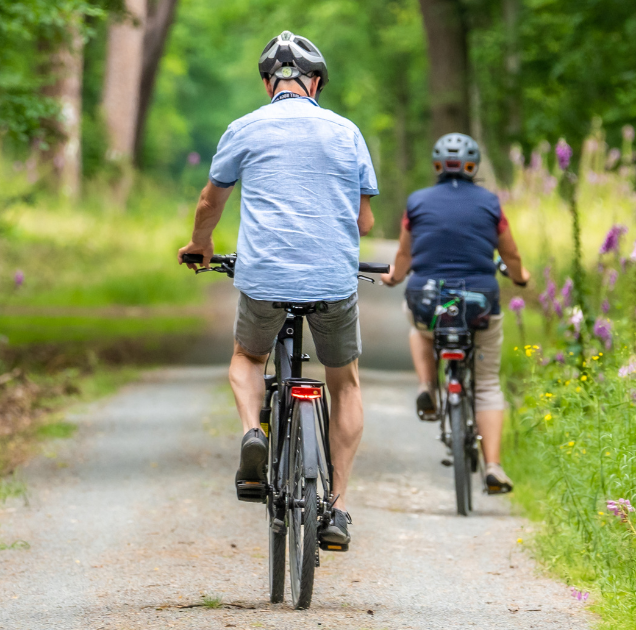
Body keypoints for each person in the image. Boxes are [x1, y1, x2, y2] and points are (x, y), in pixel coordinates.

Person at [177, 31, 378, 548]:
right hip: (333, 279)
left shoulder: (244, 128)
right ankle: (336, 508)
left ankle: (253, 433)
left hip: (264, 277)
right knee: (346, 382)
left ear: (269, 83)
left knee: (247, 357)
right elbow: (365, 219)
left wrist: (201, 245)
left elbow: (209, 202)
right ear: (315, 83)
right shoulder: (346, 131)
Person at [380, 133, 530, 494]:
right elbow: (510, 255)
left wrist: (395, 277)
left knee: (417, 325)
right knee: (489, 384)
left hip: (428, 301)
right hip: (479, 302)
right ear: (472, 166)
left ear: (436, 166)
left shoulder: (417, 202)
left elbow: (404, 256)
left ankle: (427, 385)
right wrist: (521, 277)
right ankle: (493, 466)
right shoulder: (491, 203)